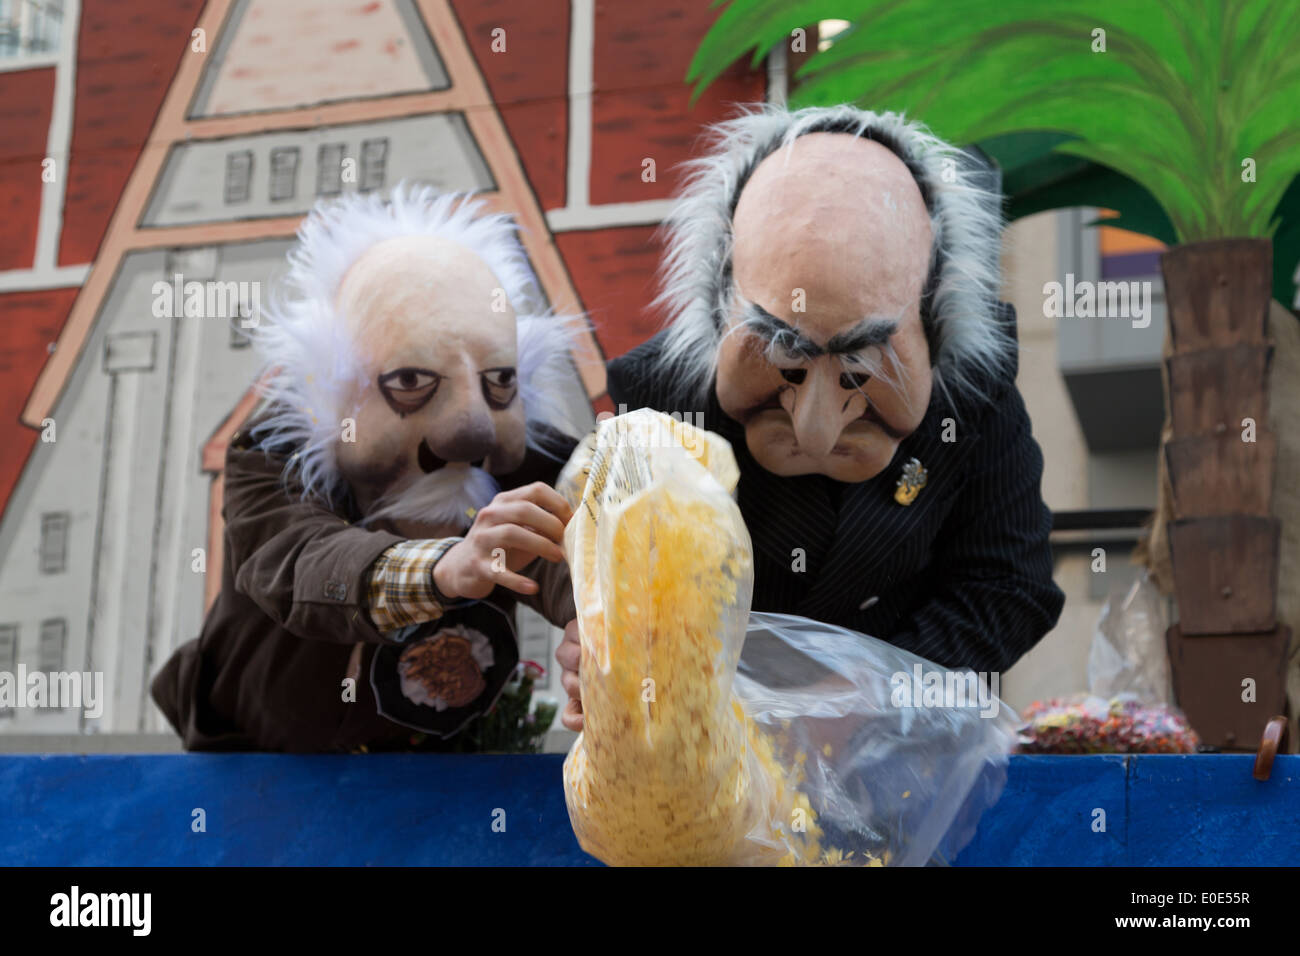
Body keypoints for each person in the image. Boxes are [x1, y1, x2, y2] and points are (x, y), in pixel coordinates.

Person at [557, 105, 1064, 731]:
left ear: (934, 315)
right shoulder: (659, 401)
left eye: (859, 371)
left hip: (896, 759)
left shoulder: (973, 400)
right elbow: (616, 576)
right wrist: (602, 640)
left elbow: (1010, 586)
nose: (815, 429)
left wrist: (880, 686)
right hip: (708, 752)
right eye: (783, 360)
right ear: (722, 301)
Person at [152, 185, 583, 751]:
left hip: (432, 773)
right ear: (337, 385)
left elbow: (574, 548)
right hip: (255, 763)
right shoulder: (271, 458)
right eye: (411, 382)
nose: (471, 429)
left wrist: (599, 626)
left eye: (498, 381)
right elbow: (301, 564)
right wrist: (445, 568)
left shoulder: (519, 455)